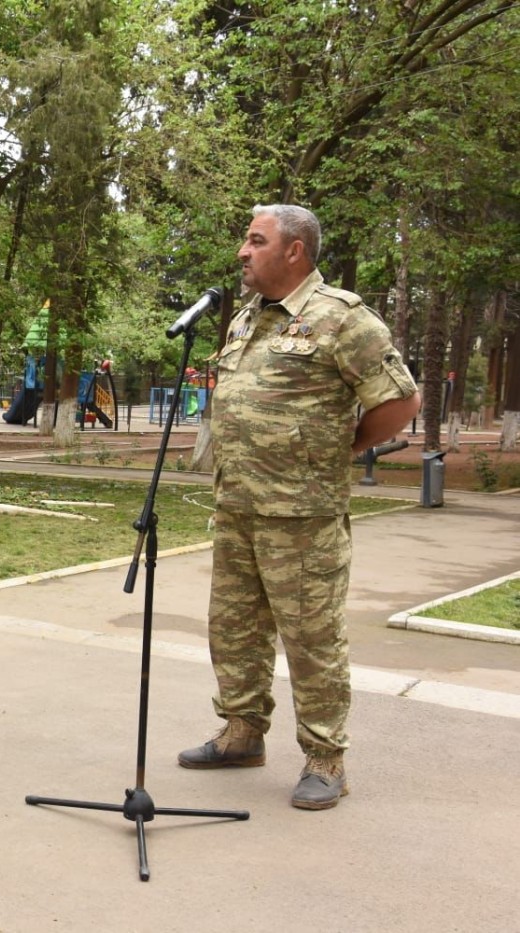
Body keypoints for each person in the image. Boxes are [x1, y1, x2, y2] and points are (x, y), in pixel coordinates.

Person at [178, 204, 419, 810]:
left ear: (295, 251)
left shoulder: (341, 319)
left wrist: (342, 450)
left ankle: (324, 757)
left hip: (302, 516)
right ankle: (241, 733)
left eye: (255, 241)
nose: (242, 251)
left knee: (312, 640)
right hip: (237, 506)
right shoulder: (245, 319)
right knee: (233, 631)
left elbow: (398, 400)